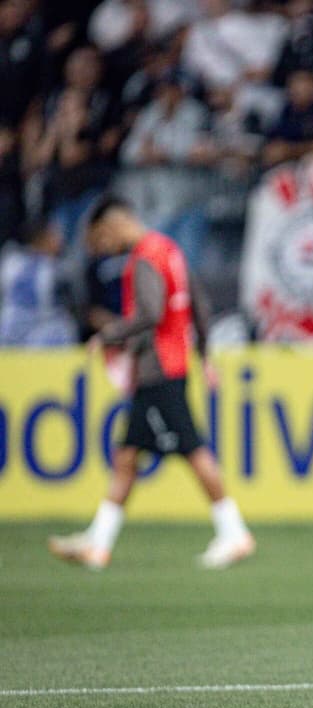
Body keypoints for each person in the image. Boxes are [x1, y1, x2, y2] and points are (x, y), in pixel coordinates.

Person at [47, 197, 254, 571]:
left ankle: (234, 532)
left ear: (112, 226)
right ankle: (98, 542)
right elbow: (200, 305)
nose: (102, 249)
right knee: (127, 456)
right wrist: (204, 355)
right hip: (169, 367)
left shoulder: (143, 257)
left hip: (157, 370)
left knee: (193, 450)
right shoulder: (170, 250)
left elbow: (151, 312)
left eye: (100, 239)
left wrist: (109, 335)